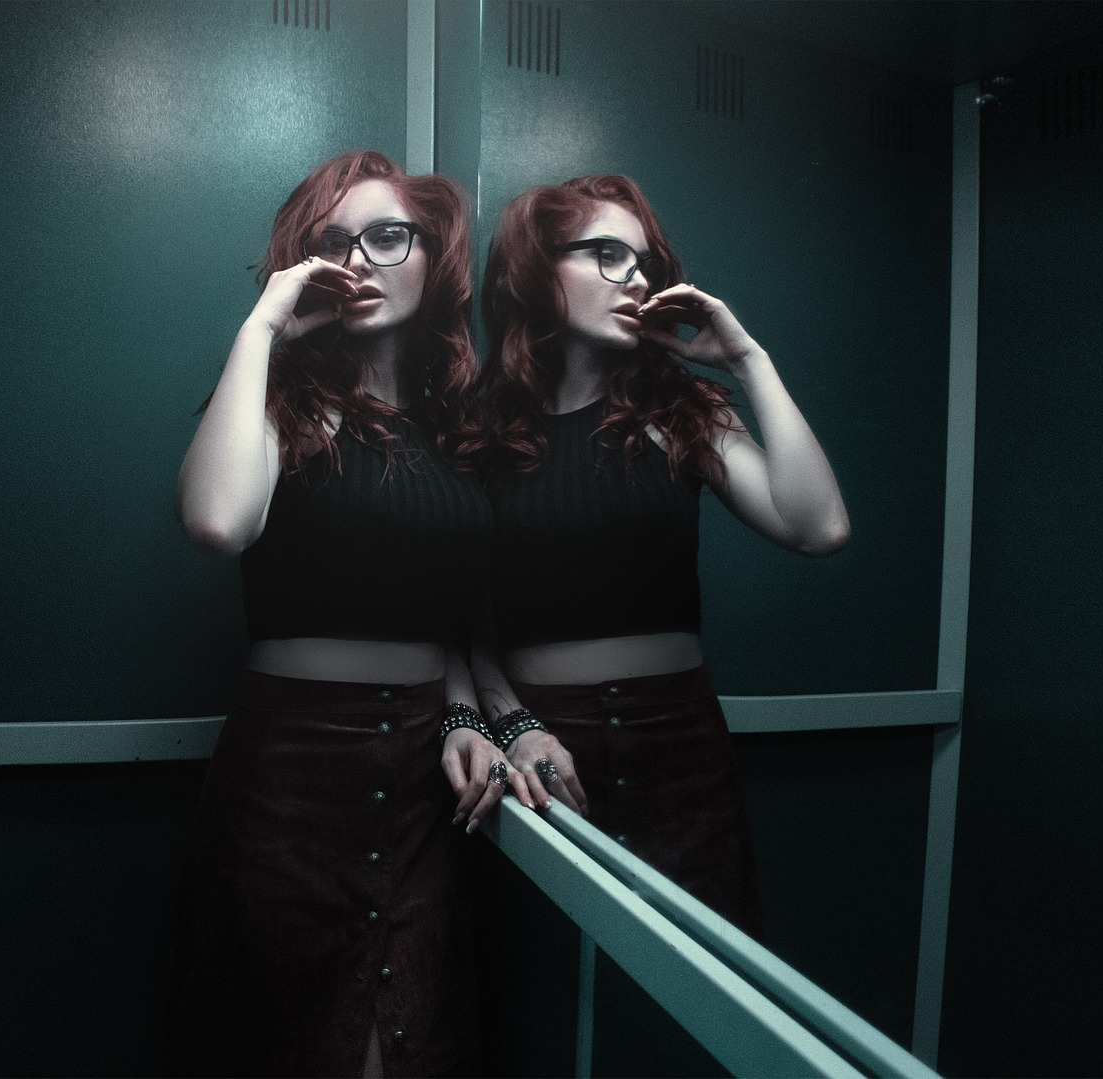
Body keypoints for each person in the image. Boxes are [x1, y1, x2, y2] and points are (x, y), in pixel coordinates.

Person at [174, 149, 528, 1078]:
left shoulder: (457, 429)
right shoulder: (279, 399)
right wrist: (262, 331)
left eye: (388, 234)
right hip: (287, 777)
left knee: (409, 1040)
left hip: (422, 780)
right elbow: (217, 521)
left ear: (431, 254)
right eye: (336, 241)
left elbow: (453, 619)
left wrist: (467, 715)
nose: (363, 256)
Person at [470, 173, 850, 933]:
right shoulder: (481, 429)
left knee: (695, 993)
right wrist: (513, 724)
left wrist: (746, 359)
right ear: (538, 269)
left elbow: (819, 528)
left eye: (641, 261)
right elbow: (458, 618)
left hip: (679, 741)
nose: (635, 277)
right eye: (606, 254)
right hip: (543, 742)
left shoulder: (677, 409)